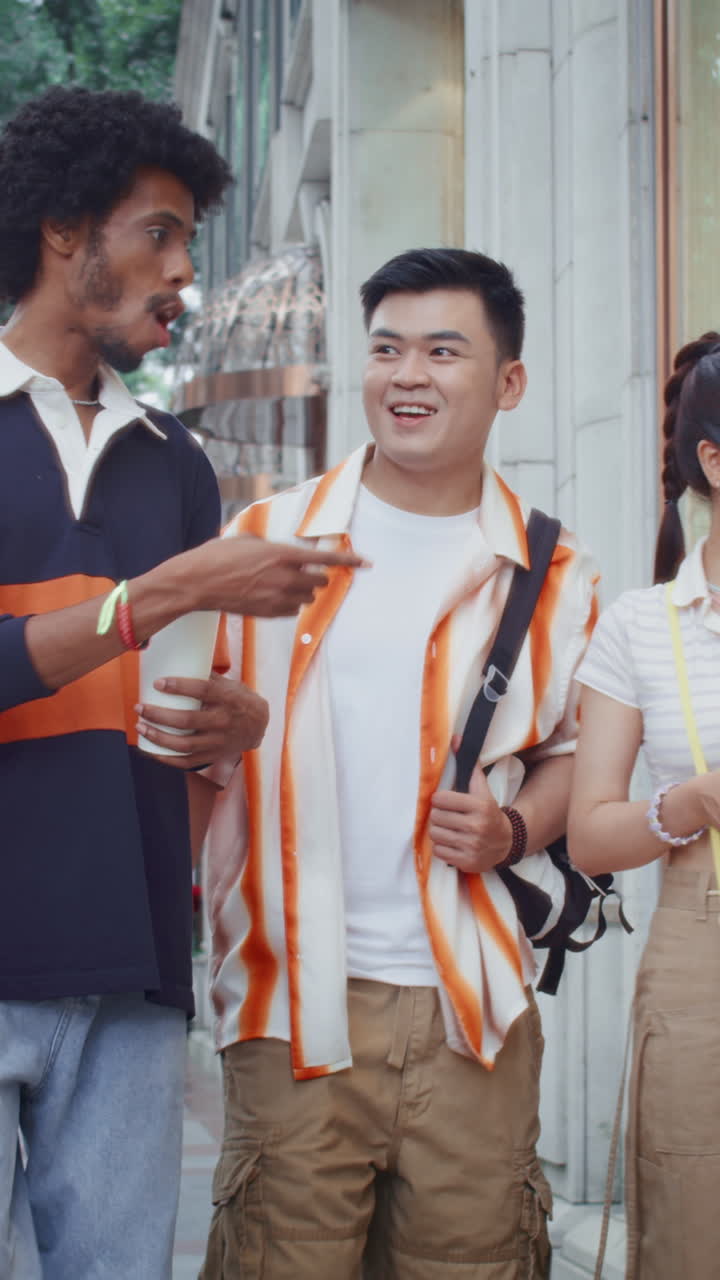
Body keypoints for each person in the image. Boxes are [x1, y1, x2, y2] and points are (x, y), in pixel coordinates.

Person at [0, 85, 360, 1280]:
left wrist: (238, 723)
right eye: (159, 232)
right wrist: (146, 598)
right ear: (66, 231)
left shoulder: (181, 469)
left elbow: (197, 719)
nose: (183, 272)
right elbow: (127, 625)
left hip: (137, 962)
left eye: (189, 243)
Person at [201, 247, 599, 1279]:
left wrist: (516, 829)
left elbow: (574, 760)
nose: (406, 375)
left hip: (473, 1011)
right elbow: (186, 749)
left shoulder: (557, 574)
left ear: (508, 381)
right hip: (292, 999)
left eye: (441, 350)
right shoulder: (262, 539)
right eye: (386, 349)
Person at [569, 332, 720, 1279]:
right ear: (713, 457)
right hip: (696, 948)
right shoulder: (640, 625)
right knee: (690, 1221)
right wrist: (693, 799)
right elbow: (589, 834)